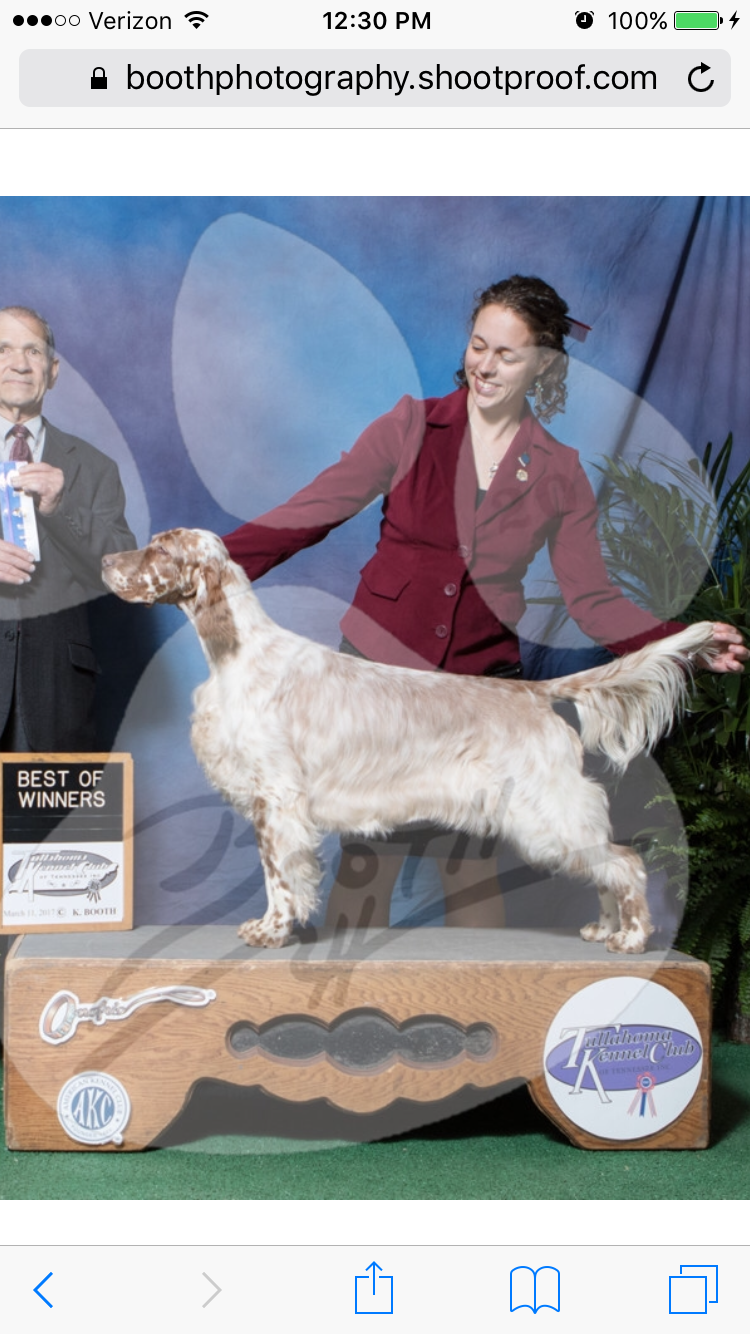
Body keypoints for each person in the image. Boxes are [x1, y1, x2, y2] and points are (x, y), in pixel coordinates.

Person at [223, 275, 747, 929]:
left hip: (480, 690)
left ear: (544, 364)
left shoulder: (557, 469)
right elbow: (313, 511)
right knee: (367, 862)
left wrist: (682, 642)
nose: (485, 365)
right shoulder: (412, 425)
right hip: (380, 678)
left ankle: (485, 1020)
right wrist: (208, 566)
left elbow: (592, 600)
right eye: (479, 345)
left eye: (507, 354)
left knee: (470, 874)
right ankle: (341, 1022)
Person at [0, 305, 136, 752]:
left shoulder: (95, 469)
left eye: (33, 351)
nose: (19, 363)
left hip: (56, 697)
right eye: (3, 348)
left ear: (53, 371)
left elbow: (124, 576)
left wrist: (62, 507)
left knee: (46, 826)